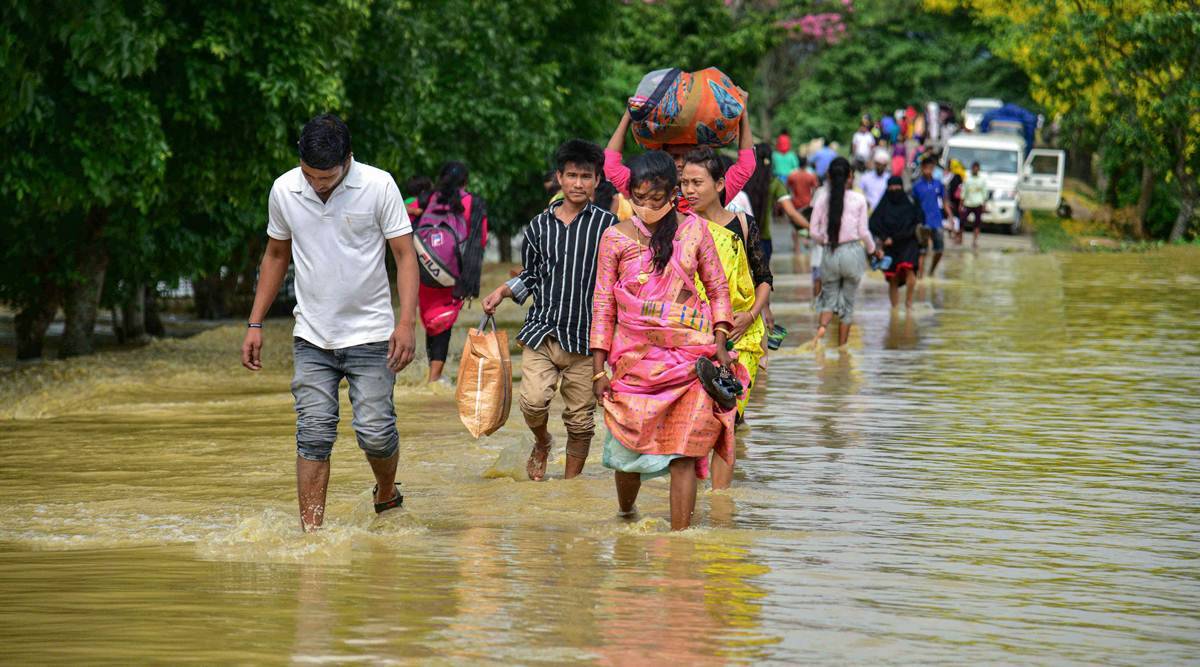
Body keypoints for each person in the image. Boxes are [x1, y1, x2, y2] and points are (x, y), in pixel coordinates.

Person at [241, 113, 418, 532]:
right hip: (312, 336)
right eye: (310, 175)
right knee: (313, 434)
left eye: (328, 177)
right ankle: (312, 535)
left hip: (372, 334)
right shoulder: (285, 190)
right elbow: (275, 255)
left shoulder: (378, 186)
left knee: (375, 432)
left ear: (348, 160)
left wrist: (406, 323)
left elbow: (404, 256)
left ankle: (386, 491)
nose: (318, 184)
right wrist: (255, 323)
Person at [591, 150, 737, 531]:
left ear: (674, 194)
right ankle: (626, 515)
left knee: (684, 454)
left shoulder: (695, 231)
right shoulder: (614, 239)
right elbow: (603, 306)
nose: (648, 207)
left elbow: (718, 289)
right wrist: (598, 370)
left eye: (657, 199)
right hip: (633, 364)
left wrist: (720, 343)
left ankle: (680, 543)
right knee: (627, 453)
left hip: (690, 362)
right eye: (639, 199)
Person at [481, 140, 617, 481]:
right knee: (532, 402)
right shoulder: (538, 226)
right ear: (560, 177)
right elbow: (532, 274)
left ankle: (570, 490)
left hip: (587, 339)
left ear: (597, 180)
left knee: (581, 420)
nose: (578, 183)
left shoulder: (610, 228)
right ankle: (542, 442)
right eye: (571, 175)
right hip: (543, 330)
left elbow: (622, 281)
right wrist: (502, 290)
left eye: (586, 176)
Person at [681, 148, 769, 489]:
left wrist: (751, 314)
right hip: (695, 336)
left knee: (727, 417)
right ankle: (694, 494)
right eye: (684, 182)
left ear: (719, 184)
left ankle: (720, 501)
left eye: (697, 182)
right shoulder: (679, 230)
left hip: (741, 338)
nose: (689, 190)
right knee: (697, 418)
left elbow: (764, 279)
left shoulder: (742, 225)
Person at [417, 161, 487, 383]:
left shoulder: (426, 199)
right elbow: (479, 241)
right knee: (443, 322)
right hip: (452, 273)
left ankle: (432, 372)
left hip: (424, 269)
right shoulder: (472, 203)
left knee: (431, 321)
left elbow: (403, 212)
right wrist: (469, 282)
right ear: (465, 181)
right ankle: (434, 378)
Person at [604, 106, 756, 203]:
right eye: (674, 157)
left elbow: (746, 165)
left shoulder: (713, 193)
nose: (681, 163)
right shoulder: (646, 189)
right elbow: (610, 165)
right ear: (662, 157)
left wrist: (744, 114)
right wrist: (627, 116)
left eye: (688, 157)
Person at [809, 157, 883, 347]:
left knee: (827, 300)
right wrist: (873, 251)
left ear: (829, 176)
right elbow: (863, 232)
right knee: (847, 307)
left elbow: (813, 231)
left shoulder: (822, 198)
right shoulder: (859, 199)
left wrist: (825, 241)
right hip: (852, 253)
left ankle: (818, 340)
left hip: (830, 253)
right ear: (851, 176)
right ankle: (842, 350)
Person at [869, 177, 922, 309]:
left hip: (908, 242)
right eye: (891, 187)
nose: (894, 190)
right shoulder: (883, 204)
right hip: (890, 245)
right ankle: (895, 309)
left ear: (902, 187)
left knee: (910, 270)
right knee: (893, 277)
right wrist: (884, 237)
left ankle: (909, 304)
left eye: (897, 187)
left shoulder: (911, 203)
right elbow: (873, 223)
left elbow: (917, 221)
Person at [912, 156, 953, 277]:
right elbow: (913, 205)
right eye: (926, 168)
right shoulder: (917, 186)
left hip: (936, 220)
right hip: (922, 221)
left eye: (931, 168)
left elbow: (945, 202)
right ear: (922, 168)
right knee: (922, 251)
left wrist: (950, 216)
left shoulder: (938, 184)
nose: (928, 170)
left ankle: (931, 272)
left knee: (939, 250)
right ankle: (920, 277)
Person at [961, 161, 988, 249]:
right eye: (974, 168)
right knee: (962, 221)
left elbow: (984, 193)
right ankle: (960, 238)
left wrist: (984, 204)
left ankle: (975, 241)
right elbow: (964, 191)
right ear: (972, 169)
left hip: (978, 203)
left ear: (978, 169)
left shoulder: (982, 180)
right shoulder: (968, 179)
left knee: (977, 224)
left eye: (977, 168)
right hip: (968, 203)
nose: (975, 169)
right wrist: (961, 203)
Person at [946, 159, 966, 244]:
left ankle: (955, 234)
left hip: (955, 200)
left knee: (954, 216)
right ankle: (955, 234)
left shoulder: (955, 176)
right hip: (957, 200)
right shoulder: (961, 175)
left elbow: (953, 189)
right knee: (955, 217)